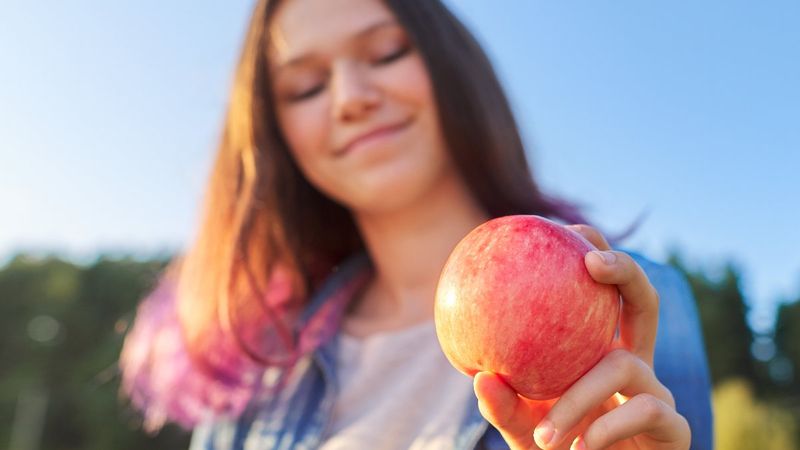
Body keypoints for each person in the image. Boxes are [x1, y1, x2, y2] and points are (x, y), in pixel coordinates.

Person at [120, 0, 713, 448]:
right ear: (276, 138)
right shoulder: (256, 351)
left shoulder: (633, 307)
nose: (350, 98)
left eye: (385, 53)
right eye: (305, 87)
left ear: (451, 68)